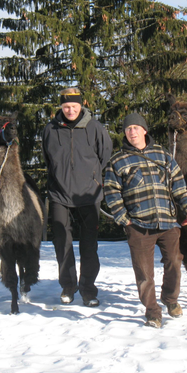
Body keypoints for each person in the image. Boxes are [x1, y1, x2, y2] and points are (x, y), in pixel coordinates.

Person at [104, 112, 187, 328]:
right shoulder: (117, 161)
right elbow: (111, 192)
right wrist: (123, 218)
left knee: (174, 262)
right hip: (138, 225)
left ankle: (170, 299)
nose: (132, 132)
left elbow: (179, 185)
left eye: (136, 128)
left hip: (168, 222)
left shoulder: (163, 155)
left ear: (145, 130)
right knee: (144, 272)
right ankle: (152, 311)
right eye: (128, 129)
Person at [42, 88, 113, 307]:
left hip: (88, 195)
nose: (70, 110)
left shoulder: (94, 128)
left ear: (81, 105)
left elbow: (105, 155)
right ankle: (68, 286)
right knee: (62, 243)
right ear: (61, 107)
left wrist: (92, 179)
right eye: (66, 107)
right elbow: (47, 158)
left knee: (89, 245)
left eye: (74, 106)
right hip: (59, 194)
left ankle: (88, 290)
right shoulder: (50, 129)